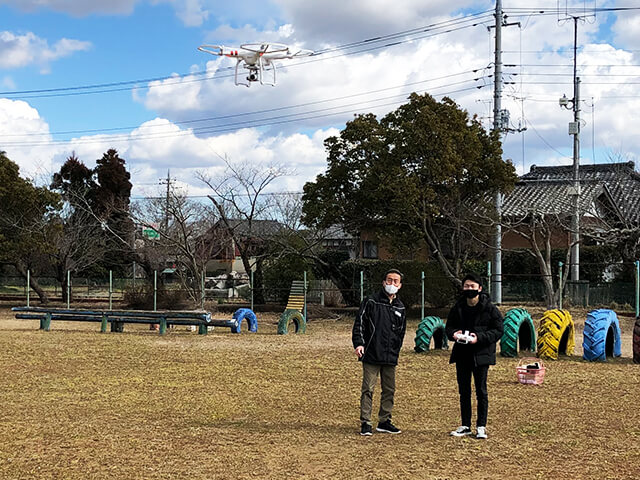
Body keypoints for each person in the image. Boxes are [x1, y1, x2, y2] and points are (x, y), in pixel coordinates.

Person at [445, 273, 503, 440]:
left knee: (481, 391)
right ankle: (465, 425)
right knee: (464, 391)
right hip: (462, 353)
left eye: (472, 286)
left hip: (481, 355)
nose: (469, 289)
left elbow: (498, 331)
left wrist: (479, 338)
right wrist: (454, 334)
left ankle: (481, 426)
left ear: (480, 288)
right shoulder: (458, 307)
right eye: (466, 286)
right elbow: (449, 327)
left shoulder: (490, 309)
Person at [352, 269, 407, 436]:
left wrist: (396, 350)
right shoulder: (371, 301)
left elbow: (401, 332)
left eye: (395, 281)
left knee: (389, 389)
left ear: (400, 285)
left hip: (390, 355)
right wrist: (359, 344)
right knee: (368, 388)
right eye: (389, 280)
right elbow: (359, 324)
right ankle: (366, 422)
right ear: (383, 282)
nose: (392, 284)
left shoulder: (400, 307)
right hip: (371, 353)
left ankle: (384, 421)